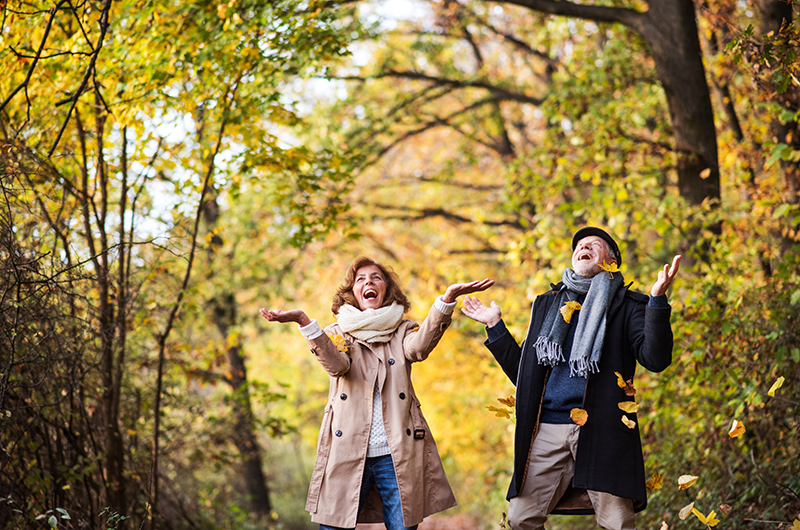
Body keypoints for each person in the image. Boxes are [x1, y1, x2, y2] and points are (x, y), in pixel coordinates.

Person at [461, 227, 681, 530]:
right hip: (548, 426)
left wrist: (657, 300)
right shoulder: (548, 304)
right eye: (579, 245)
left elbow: (656, 360)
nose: (584, 248)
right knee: (521, 518)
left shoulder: (630, 305)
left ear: (611, 260)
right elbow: (525, 377)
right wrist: (495, 327)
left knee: (616, 522)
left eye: (594, 244)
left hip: (602, 426)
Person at [261, 256, 494, 530]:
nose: (368, 282)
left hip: (396, 453)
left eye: (375, 277)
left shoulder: (402, 330)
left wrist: (447, 299)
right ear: (352, 292)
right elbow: (337, 366)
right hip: (347, 450)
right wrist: (303, 321)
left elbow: (418, 349)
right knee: (333, 526)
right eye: (360, 279)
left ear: (386, 290)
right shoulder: (337, 333)